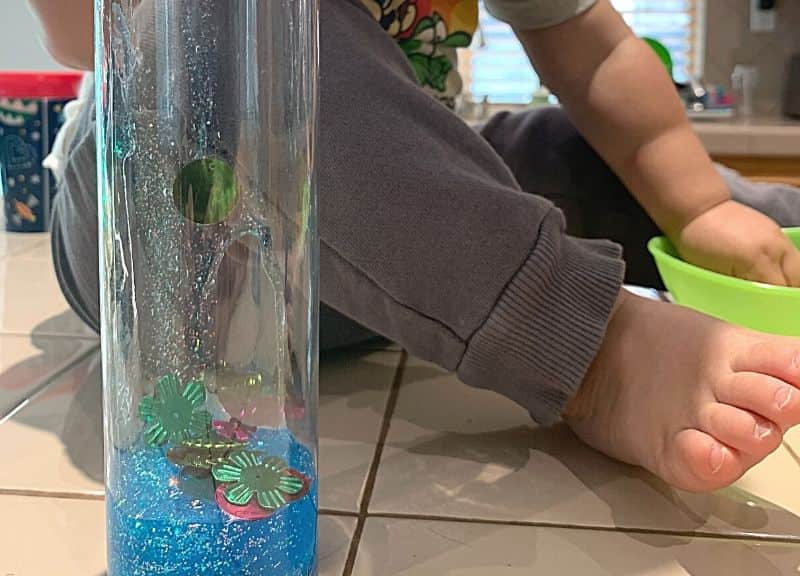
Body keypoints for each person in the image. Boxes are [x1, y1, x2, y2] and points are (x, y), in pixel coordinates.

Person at [29, 0, 800, 492]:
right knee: (232, 15)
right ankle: (593, 350)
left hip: (390, 252)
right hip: (169, 236)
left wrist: (697, 206)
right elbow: (80, 31)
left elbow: (594, 52)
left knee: (563, 149)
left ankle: (761, 228)